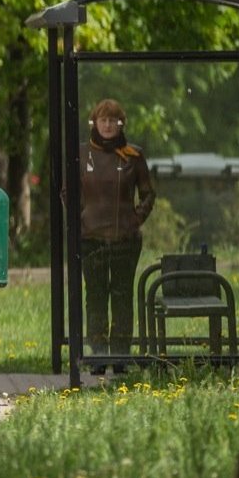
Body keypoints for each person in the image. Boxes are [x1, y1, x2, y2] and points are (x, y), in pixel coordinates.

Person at [79, 98, 156, 374]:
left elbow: (148, 194)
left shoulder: (134, 155)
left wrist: (134, 220)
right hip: (91, 239)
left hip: (126, 240)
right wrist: (81, 218)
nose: (108, 125)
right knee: (96, 295)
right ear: (94, 123)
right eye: (103, 120)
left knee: (122, 295)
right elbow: (68, 191)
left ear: (121, 123)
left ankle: (120, 355)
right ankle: (98, 356)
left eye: (113, 120)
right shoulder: (82, 154)